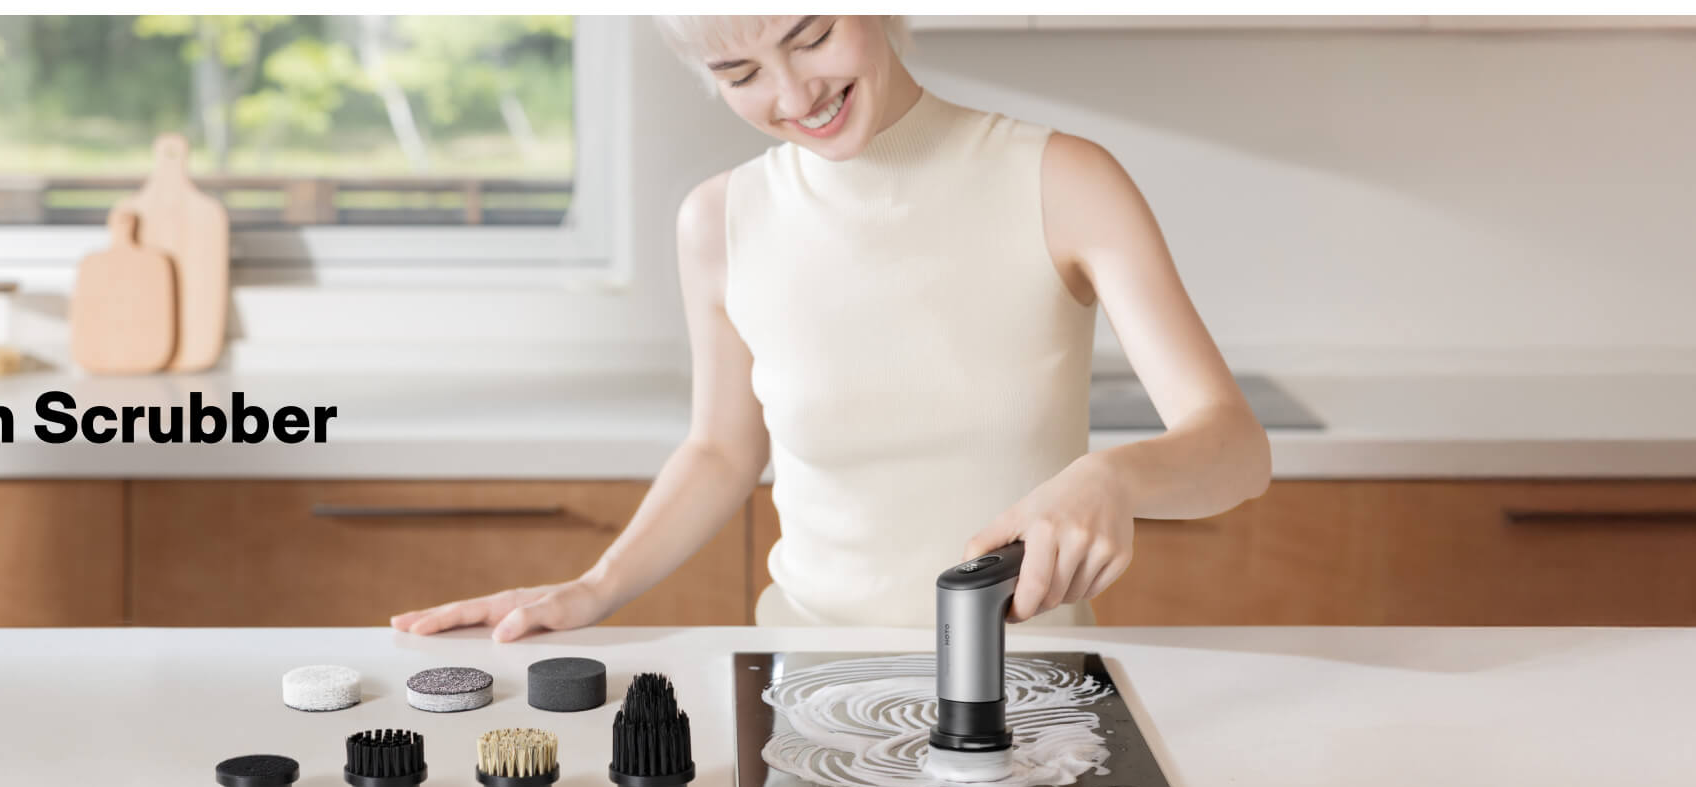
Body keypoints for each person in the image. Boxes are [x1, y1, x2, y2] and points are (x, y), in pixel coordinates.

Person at [391, 14, 1270, 641]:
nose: (793, 92)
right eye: (740, 75)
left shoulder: (1062, 179)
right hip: (805, 674)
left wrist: (1111, 479)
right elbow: (722, 451)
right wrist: (595, 587)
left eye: (810, 34)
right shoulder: (720, 221)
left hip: (1028, 687)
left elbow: (1233, 447)